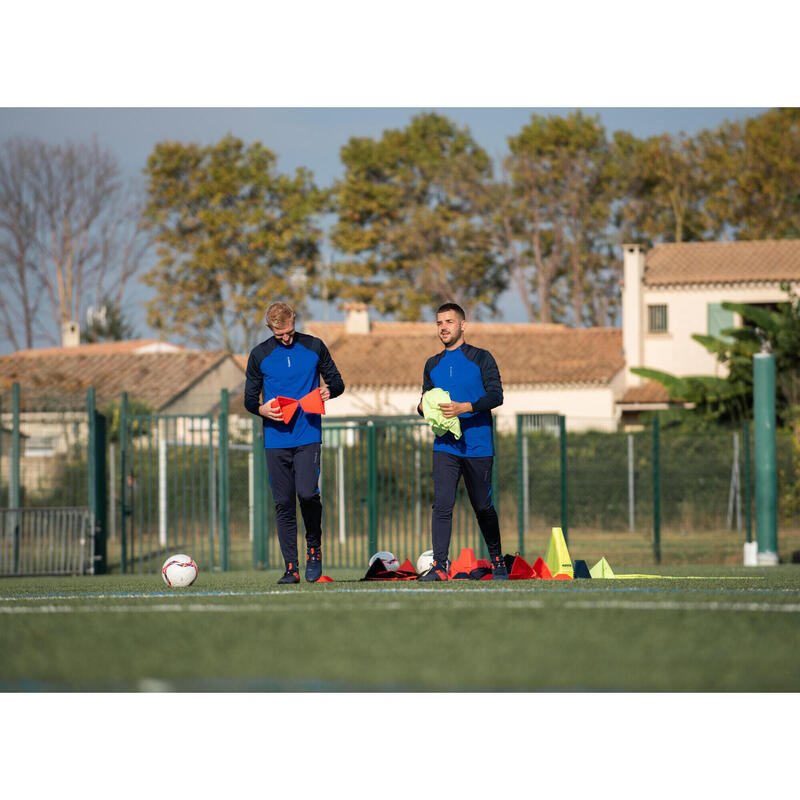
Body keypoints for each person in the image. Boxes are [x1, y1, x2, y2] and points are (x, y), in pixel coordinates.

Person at [244, 302, 344, 584]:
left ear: (294, 321)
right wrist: (261, 409)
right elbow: (250, 399)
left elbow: (337, 382)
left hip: (308, 435)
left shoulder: (314, 346)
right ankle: (291, 567)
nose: (286, 338)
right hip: (275, 439)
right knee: (283, 503)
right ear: (269, 329)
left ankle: (314, 548)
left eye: (288, 332)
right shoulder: (259, 355)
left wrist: (328, 391)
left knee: (308, 494)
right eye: (279, 335)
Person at [416, 302, 508, 581]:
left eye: (449, 322)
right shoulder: (432, 364)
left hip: (478, 445)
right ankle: (440, 566)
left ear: (462, 325)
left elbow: (497, 396)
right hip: (445, 446)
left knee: (482, 506)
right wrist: (423, 408)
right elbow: (425, 400)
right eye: (439, 323)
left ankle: (497, 561)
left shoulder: (481, 358)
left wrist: (465, 407)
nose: (443, 327)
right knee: (442, 505)